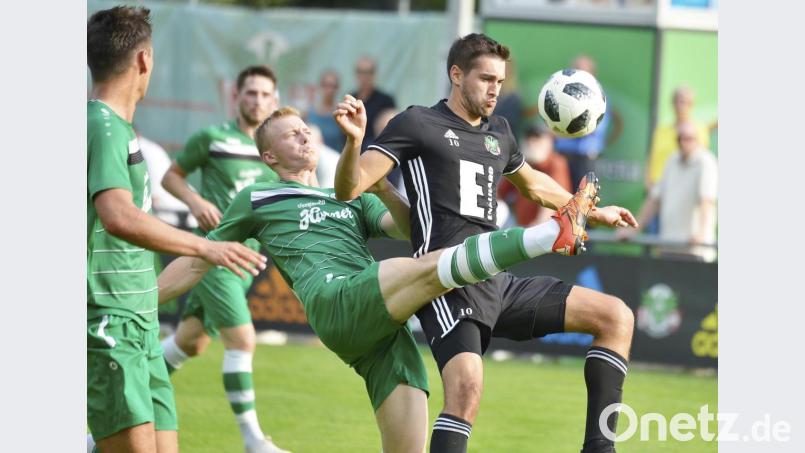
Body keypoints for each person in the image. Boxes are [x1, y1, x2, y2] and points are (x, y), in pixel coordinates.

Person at [158, 106, 601, 453]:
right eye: (291, 134)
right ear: (269, 156)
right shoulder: (257, 197)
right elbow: (199, 260)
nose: (305, 135)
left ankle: (555, 229)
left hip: (379, 331)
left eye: (306, 129)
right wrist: (141, 301)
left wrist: (381, 185)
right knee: (422, 269)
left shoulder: (348, 199)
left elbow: (413, 230)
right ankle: (550, 234)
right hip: (336, 299)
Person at [333, 33, 638, 453]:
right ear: (456, 75)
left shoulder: (501, 132)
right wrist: (353, 142)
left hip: (496, 279)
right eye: (486, 78)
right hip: (443, 280)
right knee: (467, 390)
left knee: (616, 317)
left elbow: (533, 185)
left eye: (500, 80)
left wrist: (590, 213)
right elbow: (350, 188)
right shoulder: (417, 123)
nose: (495, 88)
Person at [87, 7, 266, 453]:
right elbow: (118, 215)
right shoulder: (103, 126)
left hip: (141, 323)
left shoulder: (119, 129)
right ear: (144, 61)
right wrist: (207, 249)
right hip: (110, 322)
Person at [159, 66, 290, 453]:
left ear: (276, 101)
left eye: (266, 95)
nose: (258, 101)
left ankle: (105, 427)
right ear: (236, 96)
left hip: (248, 261)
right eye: (251, 93)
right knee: (243, 341)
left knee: (189, 343)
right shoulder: (213, 138)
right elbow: (171, 176)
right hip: (215, 254)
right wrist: (196, 202)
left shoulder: (275, 150)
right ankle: (253, 441)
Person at [618, 122, 718, 262]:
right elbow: (654, 199)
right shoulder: (672, 160)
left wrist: (701, 234)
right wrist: (633, 230)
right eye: (680, 138)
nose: (683, 143)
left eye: (688, 138)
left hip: (696, 249)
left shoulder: (706, 162)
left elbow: (706, 201)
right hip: (669, 247)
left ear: (698, 140)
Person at [498, 123, 572, 226]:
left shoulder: (556, 163)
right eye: (529, 138)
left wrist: (534, 230)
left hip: (548, 230)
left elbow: (552, 203)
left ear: (549, 142)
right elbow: (499, 194)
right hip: (522, 230)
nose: (532, 142)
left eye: (538, 138)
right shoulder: (522, 164)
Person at [644, 85, 711, 193]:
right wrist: (649, 185)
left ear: (691, 104)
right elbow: (651, 159)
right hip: (658, 188)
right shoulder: (661, 131)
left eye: (683, 101)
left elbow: (699, 161)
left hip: (684, 189)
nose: (679, 105)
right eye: (676, 101)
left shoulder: (699, 130)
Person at [137, 132, 197, 229]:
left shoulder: (142, 149)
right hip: (177, 213)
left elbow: (155, 193)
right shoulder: (148, 148)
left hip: (175, 216)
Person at [351, 56, 396, 150]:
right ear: (356, 74)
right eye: (361, 72)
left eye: (368, 72)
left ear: (374, 74)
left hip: (376, 149)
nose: (364, 77)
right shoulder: (351, 99)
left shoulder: (385, 100)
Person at [306, 69, 346, 151]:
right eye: (326, 85)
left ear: (337, 88)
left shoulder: (342, 112)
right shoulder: (309, 112)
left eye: (333, 86)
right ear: (320, 86)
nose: (329, 90)